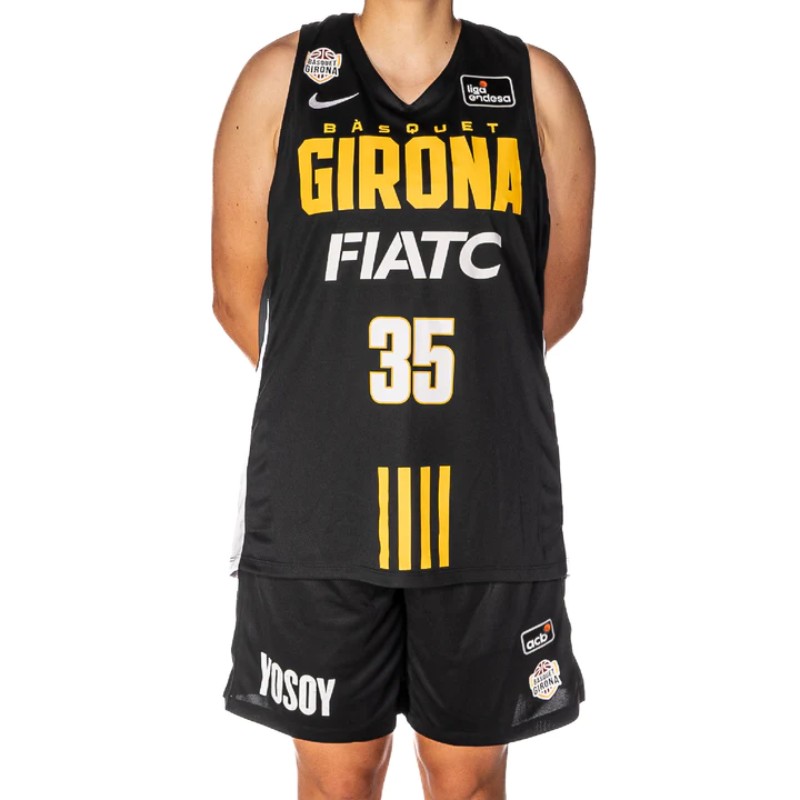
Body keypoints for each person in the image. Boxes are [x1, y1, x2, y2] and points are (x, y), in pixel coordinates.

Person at [211, 0, 595, 796]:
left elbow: (544, 310)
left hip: (487, 502)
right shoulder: (279, 80)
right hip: (324, 507)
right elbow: (240, 302)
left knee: (467, 777)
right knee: (337, 776)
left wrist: (459, 383)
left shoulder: (537, 88)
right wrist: (343, 393)